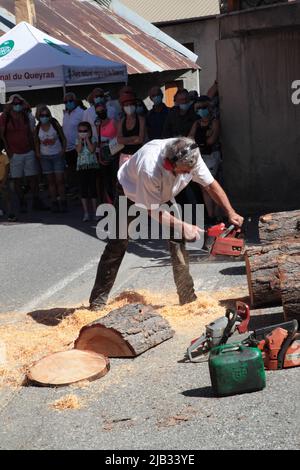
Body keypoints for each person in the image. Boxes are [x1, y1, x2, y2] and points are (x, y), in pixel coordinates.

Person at [89, 137, 244, 310]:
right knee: (118, 243)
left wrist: (230, 211)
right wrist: (184, 226)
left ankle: (187, 297)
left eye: (189, 171)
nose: (187, 175)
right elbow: (153, 210)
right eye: (183, 171)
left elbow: (210, 185)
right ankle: (97, 301)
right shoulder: (149, 168)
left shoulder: (191, 153)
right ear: (169, 165)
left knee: (177, 240)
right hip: (130, 193)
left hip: (162, 194)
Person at [0, 94, 45, 213]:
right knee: (17, 179)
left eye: (19, 103)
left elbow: (32, 133)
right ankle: (22, 201)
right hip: (14, 152)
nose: (17, 105)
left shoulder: (26, 115)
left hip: (28, 150)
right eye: (15, 104)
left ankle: (36, 200)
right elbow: (2, 135)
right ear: (10, 105)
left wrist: (34, 149)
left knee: (33, 177)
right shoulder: (5, 117)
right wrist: (8, 149)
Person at [189, 96, 221, 222]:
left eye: (204, 107)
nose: (201, 110)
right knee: (203, 187)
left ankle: (218, 215)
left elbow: (211, 141)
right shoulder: (197, 123)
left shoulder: (214, 122)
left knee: (211, 185)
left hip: (212, 156)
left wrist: (199, 142)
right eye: (199, 108)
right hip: (200, 157)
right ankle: (211, 215)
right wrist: (200, 142)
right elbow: (190, 138)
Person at [34, 105, 67, 212]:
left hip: (57, 154)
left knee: (60, 180)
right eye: (42, 115)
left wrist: (63, 150)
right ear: (38, 116)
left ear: (49, 115)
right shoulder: (38, 128)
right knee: (50, 182)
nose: (44, 117)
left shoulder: (54, 124)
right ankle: (54, 202)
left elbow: (63, 137)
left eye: (46, 115)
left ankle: (63, 201)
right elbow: (36, 141)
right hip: (45, 157)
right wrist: (38, 153)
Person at [95, 102, 120, 204]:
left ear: (106, 110)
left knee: (115, 178)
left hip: (115, 152)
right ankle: (109, 202)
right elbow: (99, 140)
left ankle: (118, 200)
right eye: (98, 112)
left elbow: (119, 136)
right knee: (106, 179)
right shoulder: (98, 125)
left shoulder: (114, 122)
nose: (101, 113)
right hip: (104, 154)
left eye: (102, 110)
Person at [76, 121, 99, 222]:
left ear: (89, 131)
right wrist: (81, 140)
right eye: (80, 131)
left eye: (85, 131)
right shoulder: (77, 140)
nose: (82, 132)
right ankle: (86, 213)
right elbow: (79, 150)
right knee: (83, 190)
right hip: (82, 167)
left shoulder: (93, 139)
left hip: (92, 167)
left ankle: (95, 212)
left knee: (93, 189)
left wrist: (87, 139)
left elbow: (92, 150)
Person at [117, 92, 146, 168]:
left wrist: (125, 140)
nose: (129, 107)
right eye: (126, 105)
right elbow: (119, 140)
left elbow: (140, 139)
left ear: (135, 106)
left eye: (131, 104)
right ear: (123, 107)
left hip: (138, 155)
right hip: (124, 156)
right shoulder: (121, 121)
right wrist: (133, 138)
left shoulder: (141, 120)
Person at [62, 92, 84, 193]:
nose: (68, 103)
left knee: (80, 171)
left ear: (75, 101)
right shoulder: (65, 114)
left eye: (70, 101)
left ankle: (82, 192)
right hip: (67, 148)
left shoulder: (81, 112)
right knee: (71, 171)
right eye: (66, 101)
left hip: (78, 147)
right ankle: (75, 192)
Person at [0, 142, 16, 221]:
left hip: (3, 180)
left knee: (7, 197)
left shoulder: (4, 157)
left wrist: (3, 182)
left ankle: (10, 214)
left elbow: (7, 170)